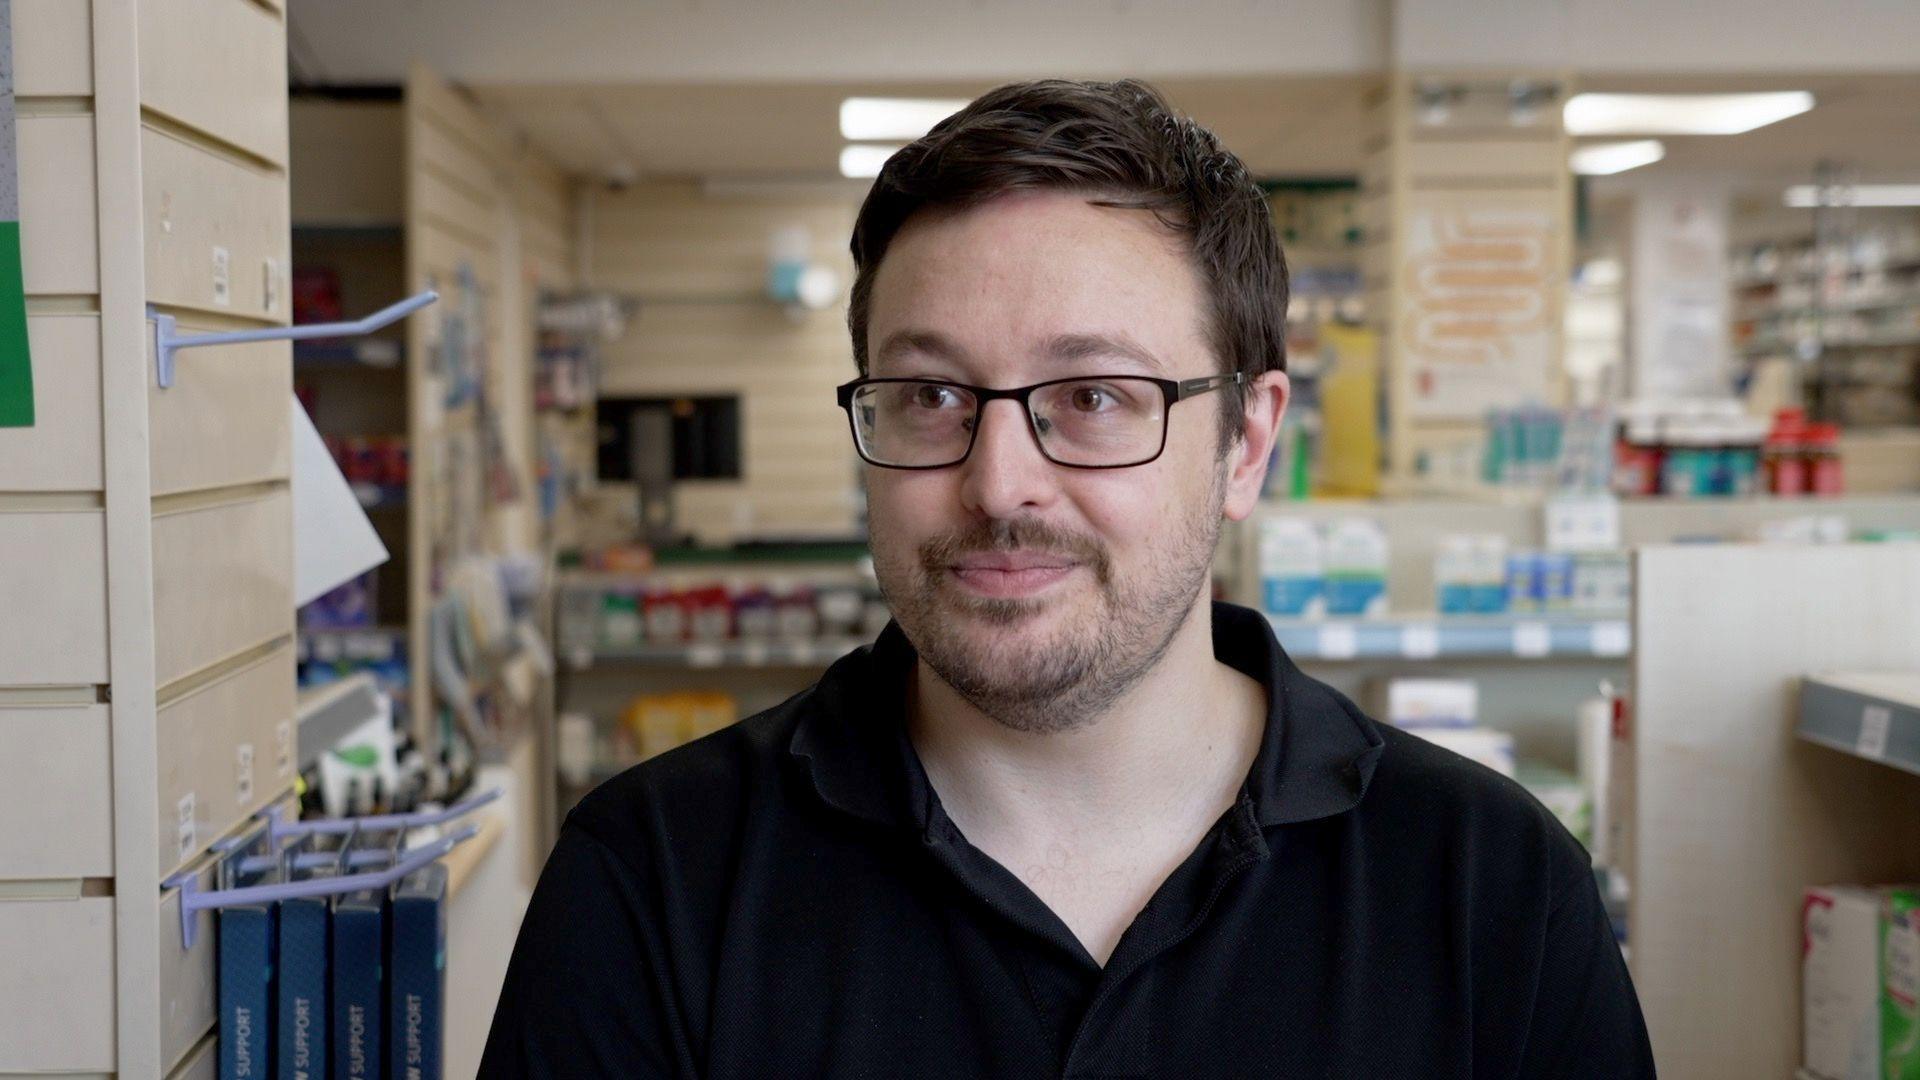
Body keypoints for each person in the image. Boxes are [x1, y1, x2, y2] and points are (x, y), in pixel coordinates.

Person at [480, 78, 1655, 1078]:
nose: (1000, 483)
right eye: (932, 396)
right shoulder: (651, 881)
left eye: (1093, 398)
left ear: (1244, 443)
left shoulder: (1493, 890)